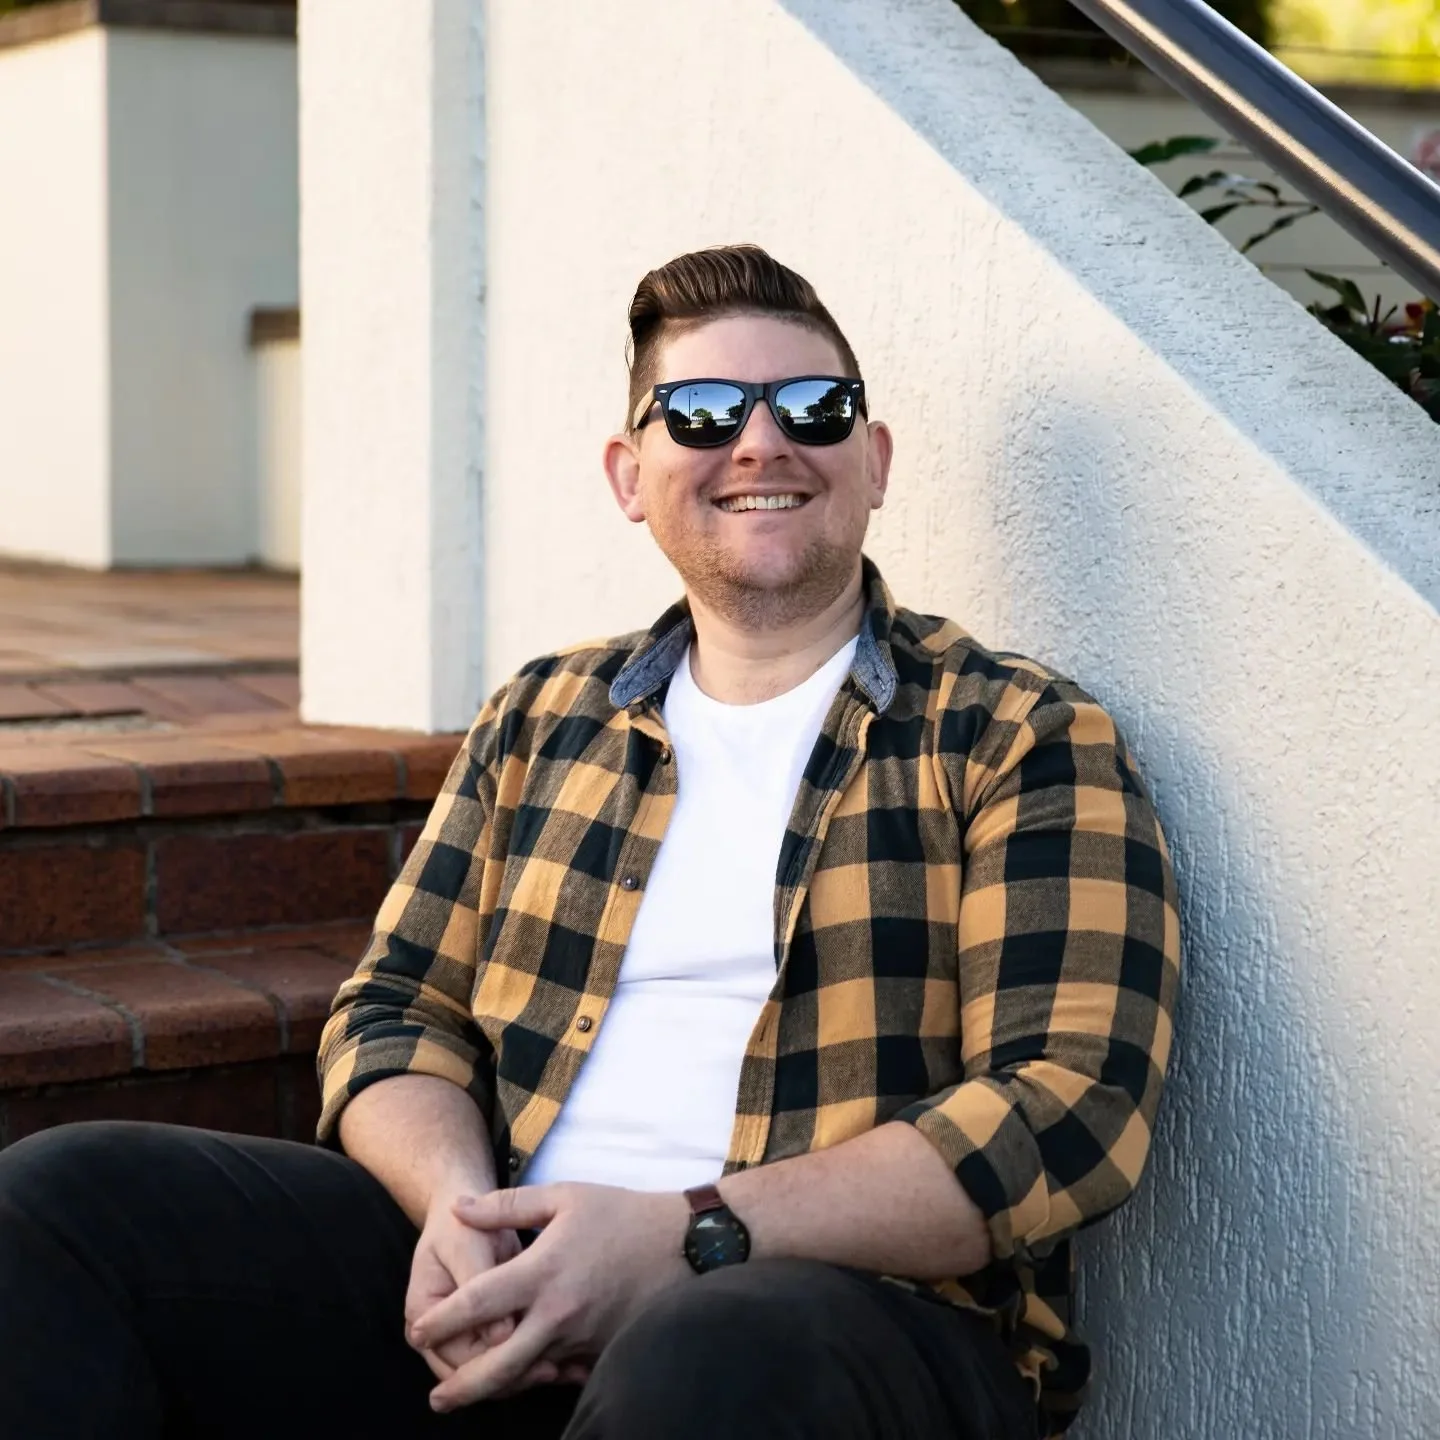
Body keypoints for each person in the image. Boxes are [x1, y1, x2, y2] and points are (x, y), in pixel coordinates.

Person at [0, 245, 1179, 1440]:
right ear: (631, 475)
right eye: (704, 412)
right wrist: (459, 1218)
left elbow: (1066, 1106)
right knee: (62, 1202)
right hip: (511, 1269)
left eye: (813, 409)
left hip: (834, 1322)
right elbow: (395, 1007)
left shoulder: (1016, 733)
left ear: (871, 463)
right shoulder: (544, 715)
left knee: (711, 1351)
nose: (761, 444)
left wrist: (687, 1236)